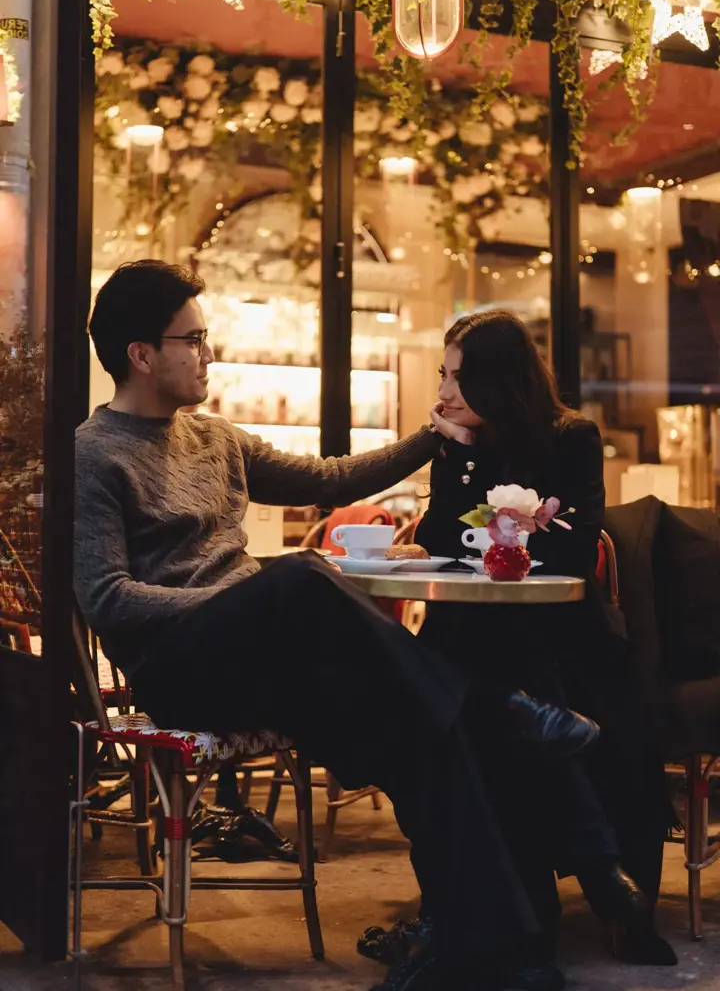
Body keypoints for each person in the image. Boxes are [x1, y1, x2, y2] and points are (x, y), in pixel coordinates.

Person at [74, 261, 600, 991]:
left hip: (264, 656)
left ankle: (498, 951)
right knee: (299, 573)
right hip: (179, 670)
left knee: (424, 728)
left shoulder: (214, 439)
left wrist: (430, 436)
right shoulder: (94, 454)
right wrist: (245, 600)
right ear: (141, 353)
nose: (208, 353)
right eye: (192, 339)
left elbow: (330, 479)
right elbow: (108, 599)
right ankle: (495, 705)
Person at [409, 311, 675, 968]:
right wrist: (465, 460)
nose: (443, 392)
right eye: (442, 375)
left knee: (519, 689)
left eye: (459, 378)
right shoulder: (459, 446)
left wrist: (505, 526)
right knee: (493, 695)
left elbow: (576, 555)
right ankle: (581, 888)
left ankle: (547, 925)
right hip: (476, 636)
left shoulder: (570, 438)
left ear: (499, 382)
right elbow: (438, 540)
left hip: (560, 636)